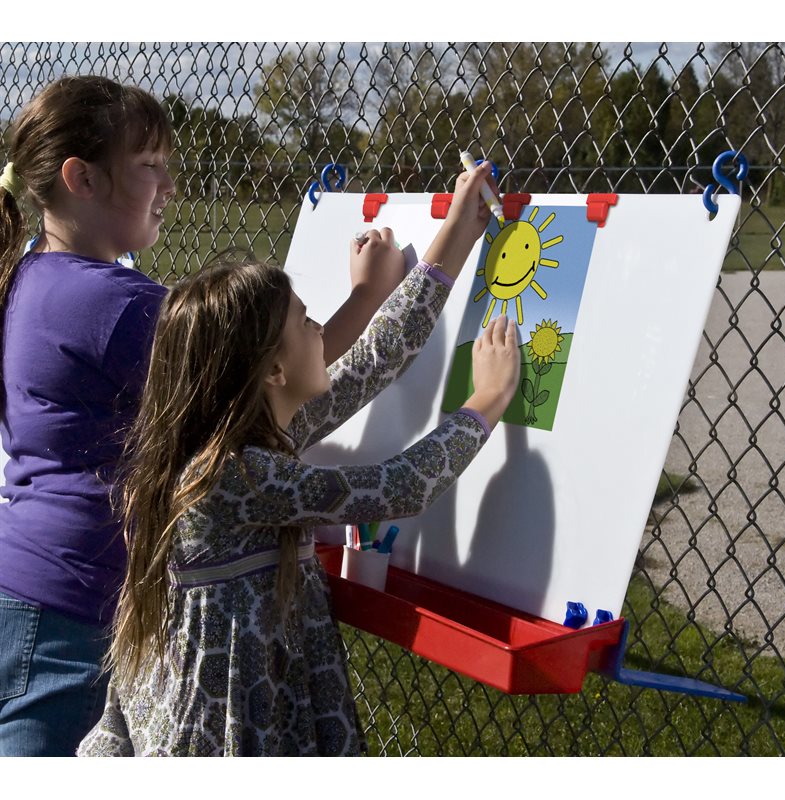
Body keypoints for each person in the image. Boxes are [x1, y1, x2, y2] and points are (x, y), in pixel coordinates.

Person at [0, 75, 404, 757]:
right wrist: (369, 298)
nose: (170, 186)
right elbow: (266, 379)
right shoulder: (116, 304)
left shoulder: (32, 273)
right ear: (82, 179)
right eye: (150, 166)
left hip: (30, 580)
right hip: (77, 603)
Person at [76, 161, 519, 756]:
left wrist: (460, 231)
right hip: (219, 734)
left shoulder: (253, 431)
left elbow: (377, 358)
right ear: (274, 371)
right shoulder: (234, 474)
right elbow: (399, 487)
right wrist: (486, 399)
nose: (321, 331)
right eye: (306, 321)